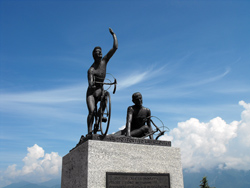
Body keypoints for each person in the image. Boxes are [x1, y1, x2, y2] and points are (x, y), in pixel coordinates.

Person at [86, 28, 118, 135]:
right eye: (97, 53)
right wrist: (92, 84)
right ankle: (90, 131)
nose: (99, 54)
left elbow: (115, 48)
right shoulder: (91, 70)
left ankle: (100, 115)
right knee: (91, 111)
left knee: (105, 97)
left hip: (100, 90)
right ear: (94, 55)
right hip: (91, 93)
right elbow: (90, 83)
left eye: (100, 52)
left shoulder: (104, 61)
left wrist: (113, 35)